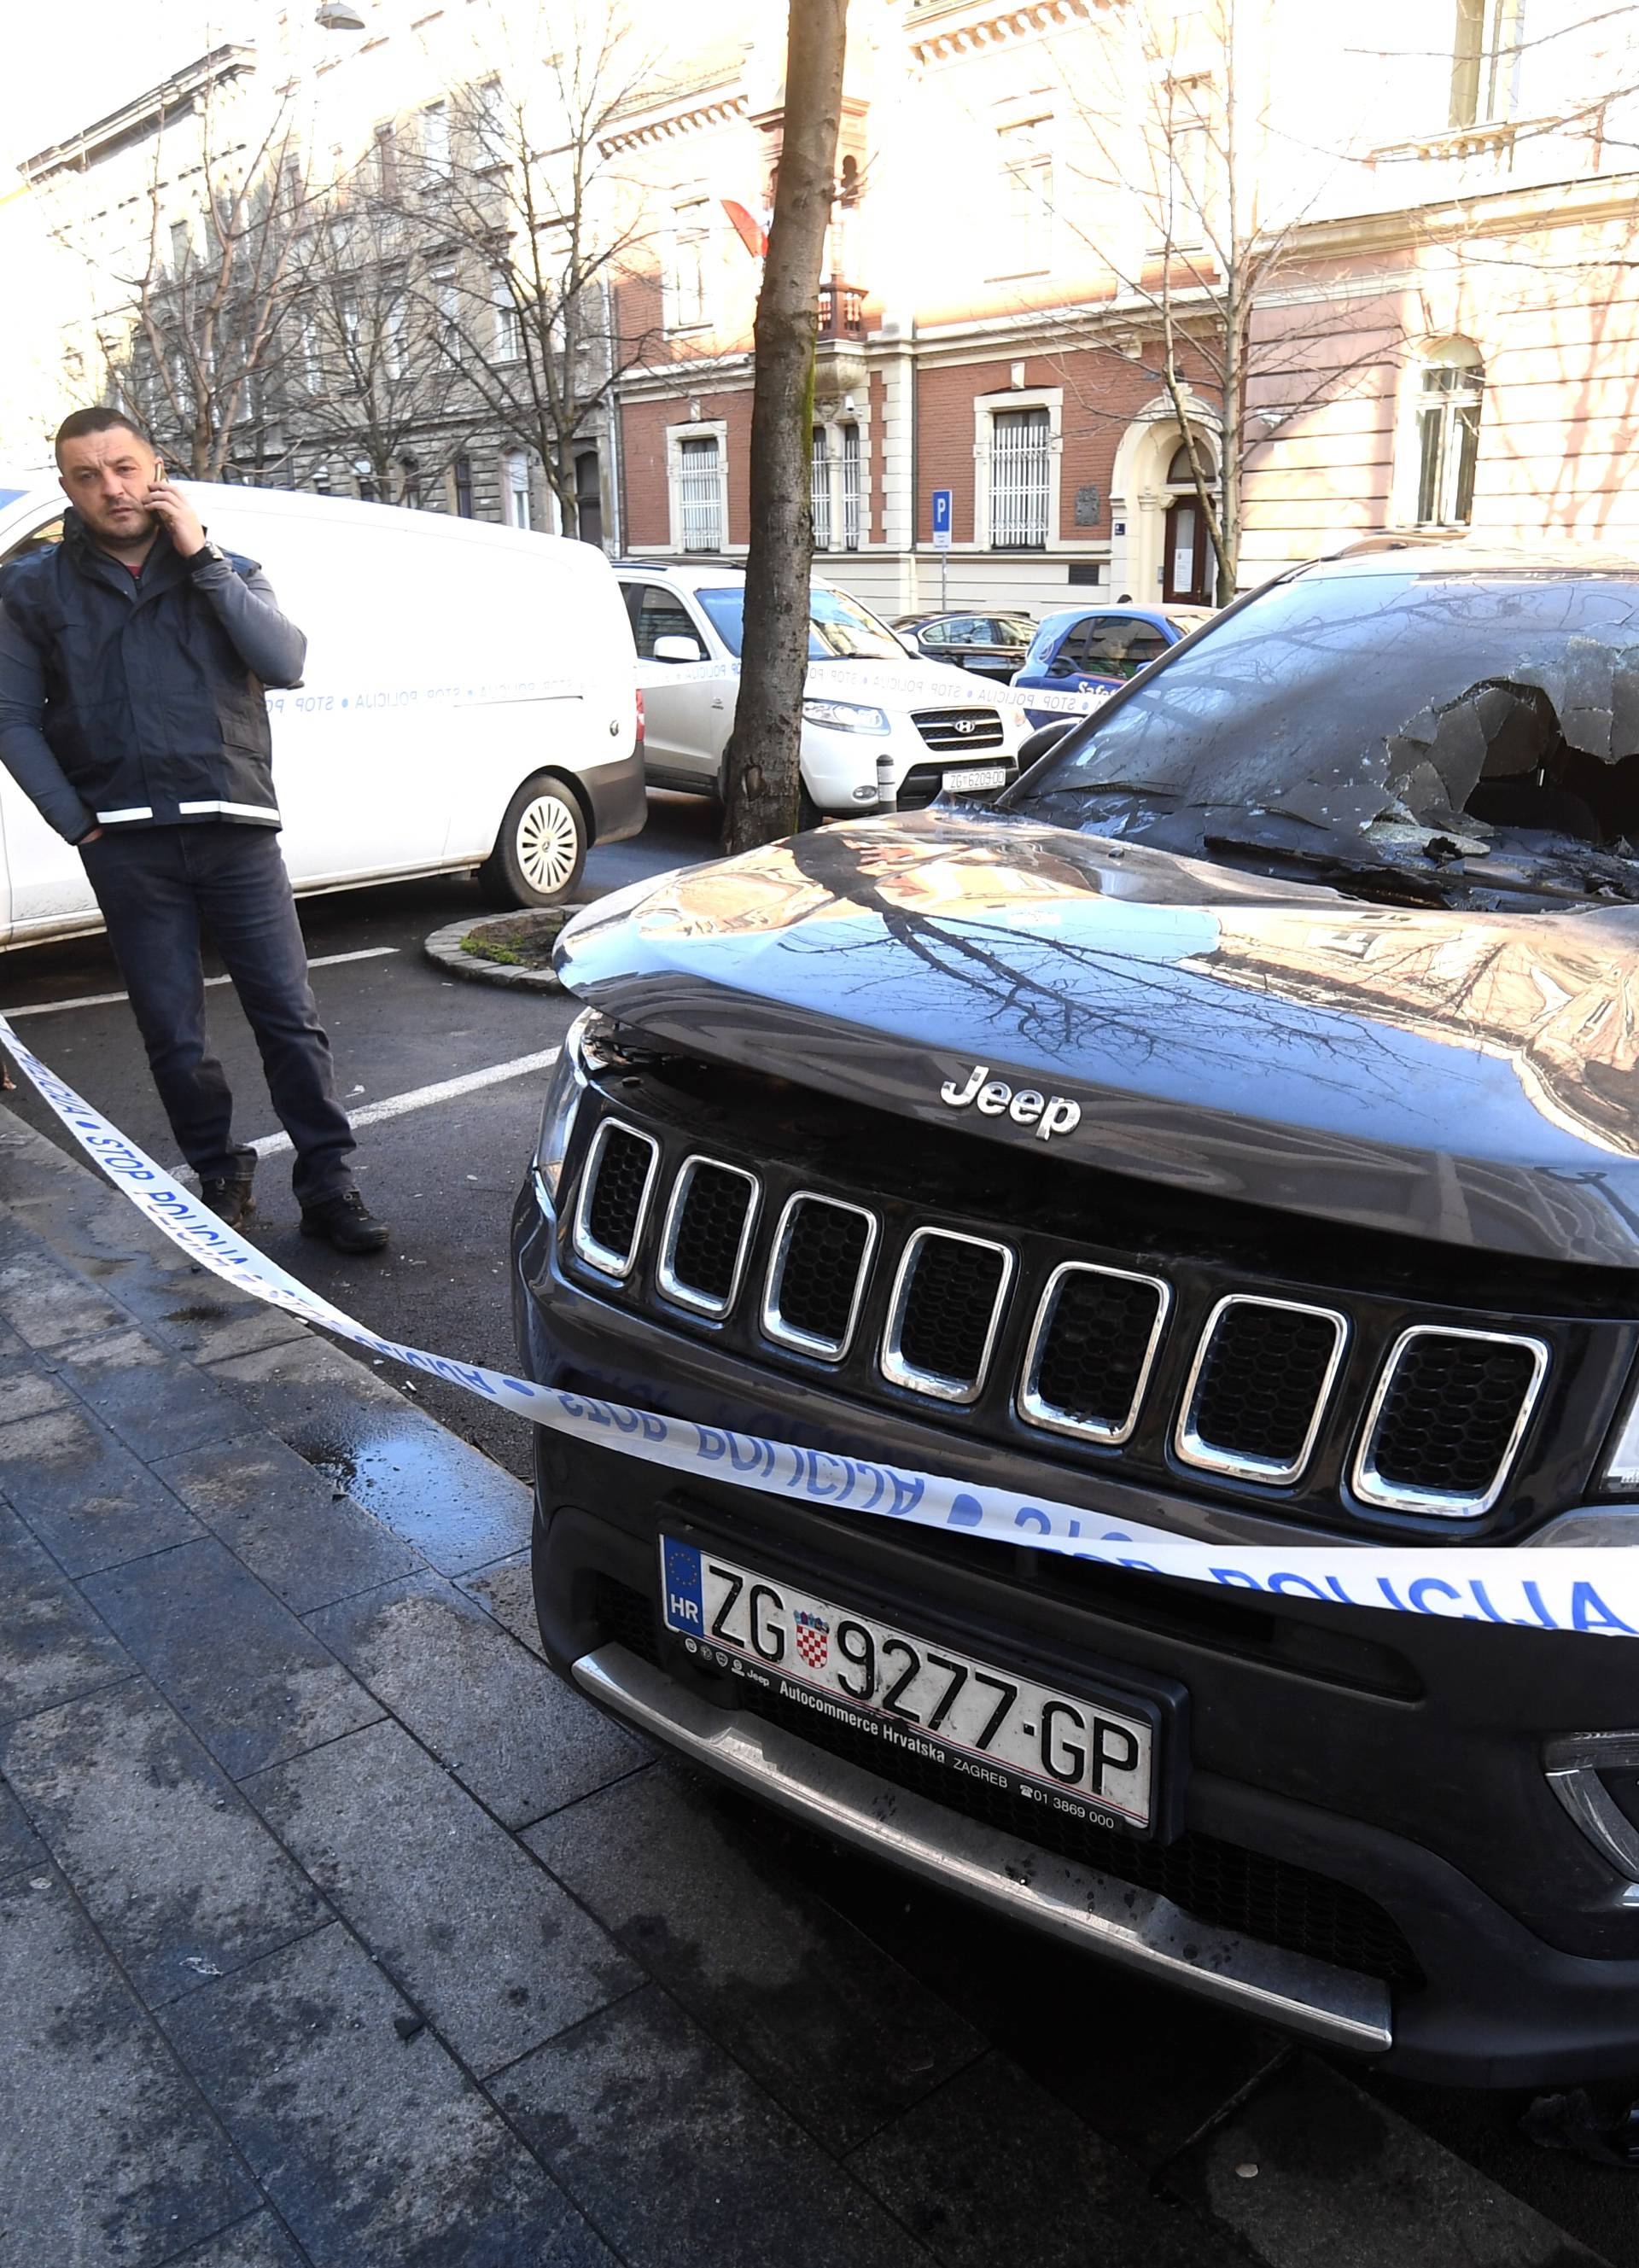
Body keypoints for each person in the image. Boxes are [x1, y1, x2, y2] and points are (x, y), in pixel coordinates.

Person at [0, 407, 388, 1253]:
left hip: (234, 829)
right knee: (171, 1030)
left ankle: (329, 1183)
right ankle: (219, 1168)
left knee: (288, 1016)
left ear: (157, 467)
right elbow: (10, 717)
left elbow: (284, 661)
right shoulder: (32, 587)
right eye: (89, 476)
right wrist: (78, 824)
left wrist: (201, 556)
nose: (113, 487)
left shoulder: (227, 567)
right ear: (66, 488)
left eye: (126, 467)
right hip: (127, 844)